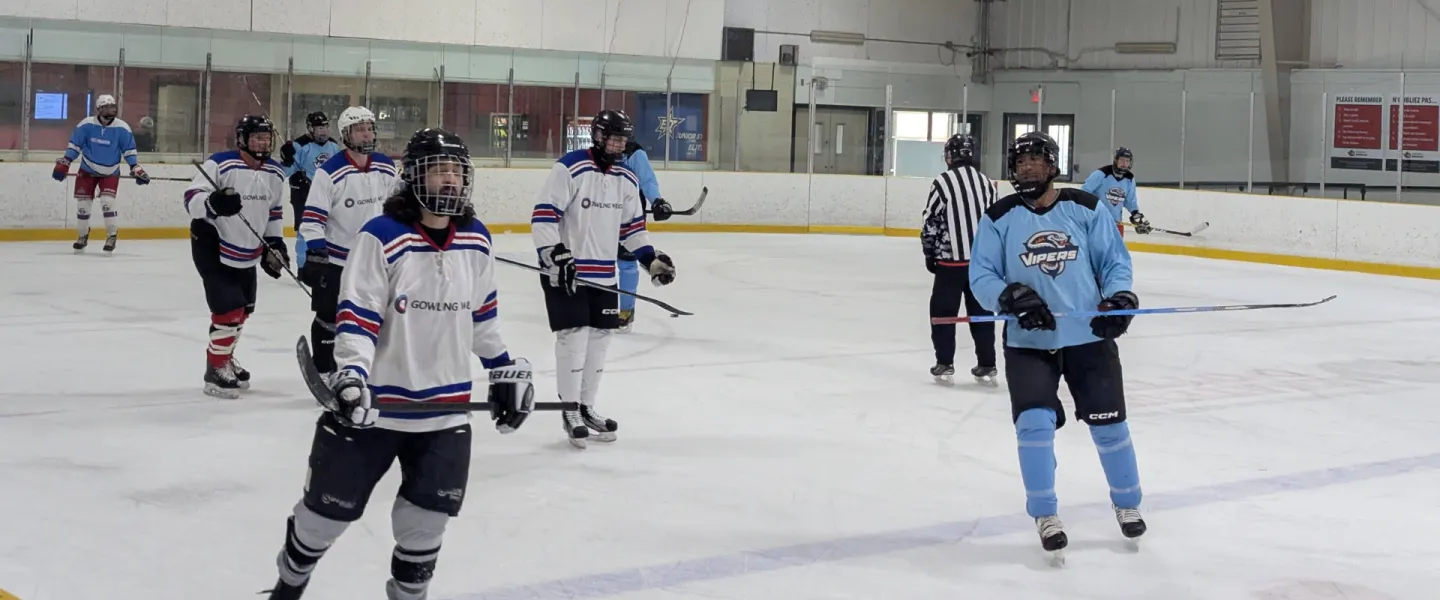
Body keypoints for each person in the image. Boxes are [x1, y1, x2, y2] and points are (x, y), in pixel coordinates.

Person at [261, 128, 535, 600]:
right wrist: (351, 375)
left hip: (446, 412)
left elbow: (483, 319)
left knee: (425, 525)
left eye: (457, 171)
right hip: (375, 408)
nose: (450, 180)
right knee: (323, 519)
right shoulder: (382, 235)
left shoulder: (476, 237)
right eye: (439, 170)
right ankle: (289, 585)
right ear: (413, 177)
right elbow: (359, 317)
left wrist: (503, 369)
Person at [969, 131, 1147, 558]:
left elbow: (1115, 263)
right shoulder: (999, 217)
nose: (1026, 167)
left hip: (1088, 339)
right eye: (1019, 162)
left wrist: (1120, 298)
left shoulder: (1085, 208)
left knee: (1109, 427)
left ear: (1053, 166)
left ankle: (1127, 505)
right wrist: (1008, 297)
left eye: (1035, 160)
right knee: (1033, 427)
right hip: (1030, 343)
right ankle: (1045, 513)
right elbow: (981, 276)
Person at [532, 109, 676, 449]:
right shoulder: (569, 167)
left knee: (599, 342)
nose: (618, 144)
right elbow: (543, 215)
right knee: (574, 339)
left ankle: (586, 406)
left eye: (623, 139)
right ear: (597, 136)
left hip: (602, 276)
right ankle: (569, 410)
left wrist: (650, 260)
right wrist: (554, 253)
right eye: (613, 137)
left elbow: (632, 231)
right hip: (565, 273)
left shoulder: (627, 179)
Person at [182, 115, 288, 398]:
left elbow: (274, 212)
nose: (262, 143)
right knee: (228, 308)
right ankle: (215, 370)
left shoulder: (276, 173)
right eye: (256, 138)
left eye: (266, 138)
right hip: (211, 242)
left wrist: (274, 244)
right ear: (242, 139)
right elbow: (190, 198)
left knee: (244, 309)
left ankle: (225, 357)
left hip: (248, 248)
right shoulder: (220, 163)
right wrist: (213, 204)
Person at [296, 106, 395, 377]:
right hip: (339, 260)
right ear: (346, 135)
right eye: (359, 129)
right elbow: (312, 220)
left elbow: (396, 210)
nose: (366, 134)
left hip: (376, 261)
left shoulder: (386, 166)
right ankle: (325, 370)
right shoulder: (330, 172)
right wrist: (316, 253)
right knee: (328, 318)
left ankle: (367, 368)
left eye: (369, 128)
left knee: (378, 317)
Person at [921, 133, 999, 386]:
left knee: (943, 314)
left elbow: (931, 220)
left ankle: (945, 362)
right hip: (980, 264)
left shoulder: (943, 182)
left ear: (950, 155)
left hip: (950, 263)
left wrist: (929, 252)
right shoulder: (987, 183)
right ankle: (987, 364)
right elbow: (994, 222)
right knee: (982, 314)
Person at [53, 94, 149, 252]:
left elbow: (129, 151)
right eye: (107, 107)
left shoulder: (122, 128)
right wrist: (66, 162)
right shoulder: (86, 125)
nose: (111, 109)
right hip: (87, 169)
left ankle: (112, 236)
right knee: (83, 206)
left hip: (110, 171)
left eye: (113, 106)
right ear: (99, 109)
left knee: (107, 202)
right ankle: (82, 236)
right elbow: (75, 146)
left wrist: (135, 168)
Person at [615, 140, 674, 332]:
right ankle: (648, 258)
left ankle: (626, 311)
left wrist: (657, 200)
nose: (616, 141)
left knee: (626, 263)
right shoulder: (595, 155)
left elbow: (647, 179)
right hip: (600, 217)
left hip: (628, 217)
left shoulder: (633, 153)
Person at [281, 111, 342, 267]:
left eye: (325, 127)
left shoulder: (333, 145)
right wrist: (287, 160)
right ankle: (303, 267)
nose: (323, 131)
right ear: (310, 129)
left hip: (327, 195)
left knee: (329, 230)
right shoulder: (299, 145)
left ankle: (325, 264)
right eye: (319, 128)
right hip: (303, 194)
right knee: (304, 231)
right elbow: (285, 172)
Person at [1080, 147, 1150, 236]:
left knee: (1117, 250)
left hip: (1116, 223)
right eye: (1122, 160)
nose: (1124, 164)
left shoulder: (1130, 178)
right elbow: (1083, 193)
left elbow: (1130, 201)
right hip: (1097, 222)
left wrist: (1136, 216)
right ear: (1116, 160)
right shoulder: (1101, 174)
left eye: (1127, 161)